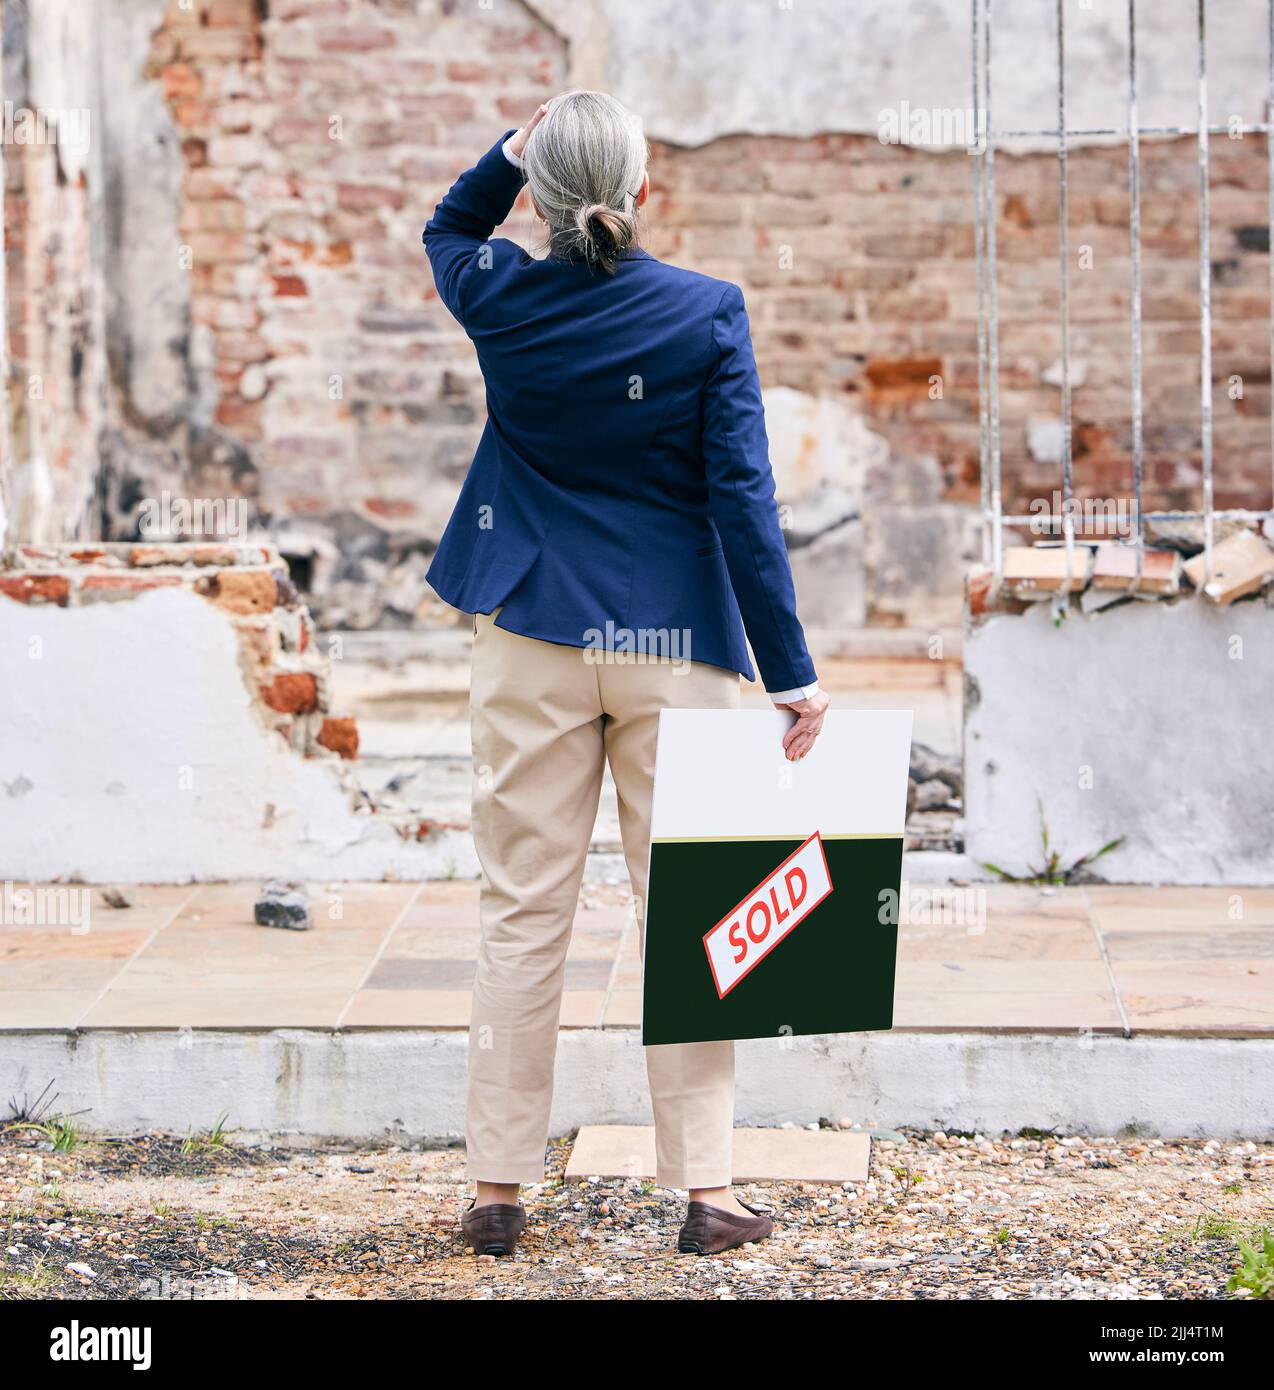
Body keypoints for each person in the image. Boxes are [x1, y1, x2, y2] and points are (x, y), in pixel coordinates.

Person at [422, 91, 829, 1257]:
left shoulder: (496, 294)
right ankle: (706, 1192)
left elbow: (448, 228)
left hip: (529, 635)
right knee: (702, 920)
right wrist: (790, 673)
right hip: (677, 650)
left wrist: (508, 152)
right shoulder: (705, 313)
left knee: (520, 917)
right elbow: (742, 502)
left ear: (540, 196)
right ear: (641, 191)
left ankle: (497, 1189)